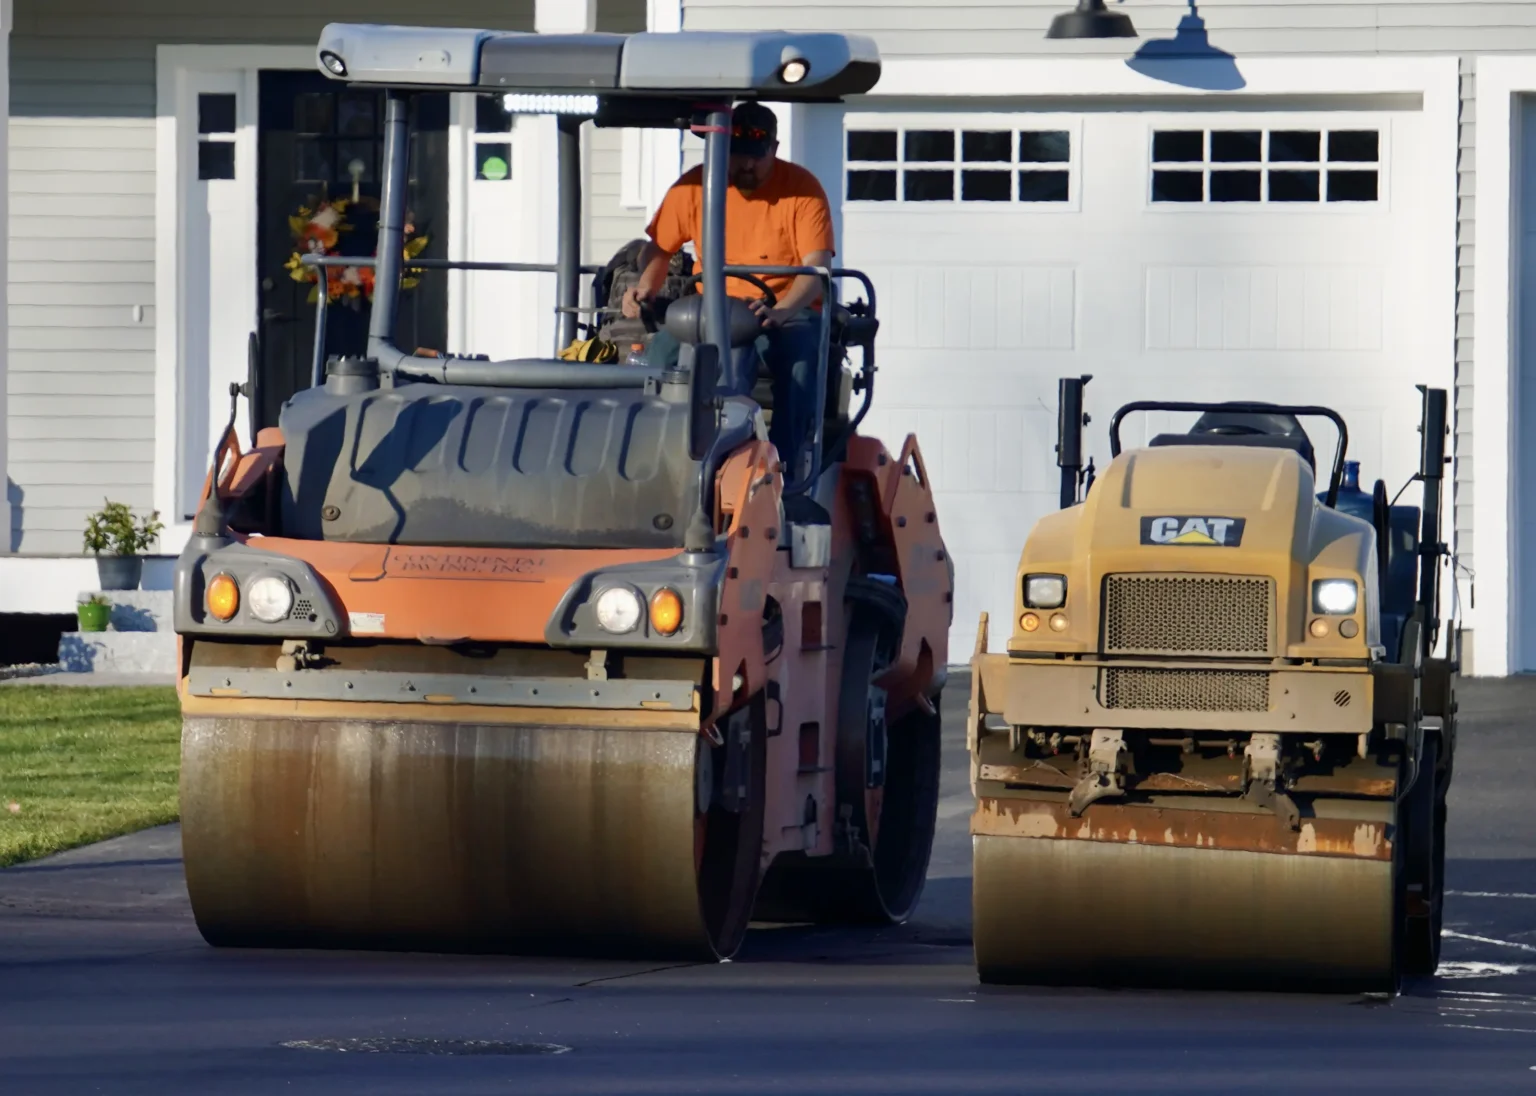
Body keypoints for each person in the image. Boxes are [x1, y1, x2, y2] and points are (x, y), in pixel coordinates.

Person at [621, 102, 834, 481]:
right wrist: (645, 288)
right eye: (737, 157)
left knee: (802, 359)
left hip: (782, 309)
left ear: (774, 148)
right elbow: (660, 249)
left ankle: (783, 470)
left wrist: (781, 310)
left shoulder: (803, 190)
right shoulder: (694, 186)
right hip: (711, 306)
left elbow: (815, 270)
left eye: (756, 157)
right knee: (657, 357)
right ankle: (642, 458)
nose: (746, 166)